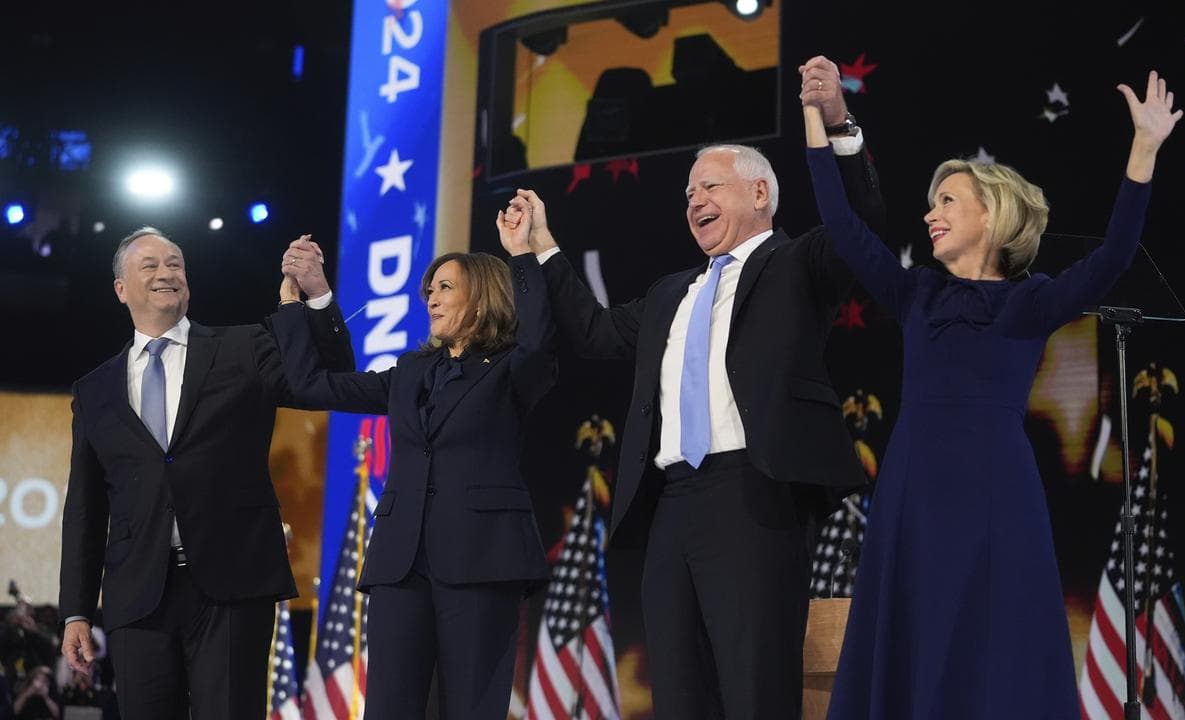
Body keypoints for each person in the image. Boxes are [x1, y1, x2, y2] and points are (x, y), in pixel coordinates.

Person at [499, 55, 884, 719]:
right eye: (687, 195)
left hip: (755, 496)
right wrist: (543, 248)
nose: (694, 202)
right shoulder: (670, 293)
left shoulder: (796, 266)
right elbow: (591, 331)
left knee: (754, 686)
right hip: (671, 503)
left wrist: (838, 123)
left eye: (709, 187)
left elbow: (863, 225)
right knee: (679, 691)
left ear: (760, 194)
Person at [801, 70, 1182, 719]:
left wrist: (1144, 149)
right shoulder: (917, 293)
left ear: (991, 214)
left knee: (991, 645)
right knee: (912, 634)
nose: (930, 214)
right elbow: (841, 225)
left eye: (947, 200)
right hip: (910, 495)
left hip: (995, 498)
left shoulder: (1031, 301)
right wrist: (815, 115)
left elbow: (1116, 255)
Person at [58, 228, 355, 719]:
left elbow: (330, 380)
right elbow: (86, 509)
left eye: (175, 263)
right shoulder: (93, 390)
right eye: (149, 265)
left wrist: (317, 295)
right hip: (139, 597)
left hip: (233, 584)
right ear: (121, 289)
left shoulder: (244, 347)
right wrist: (76, 609)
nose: (166, 273)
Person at [271, 209, 556, 718]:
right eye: (430, 289)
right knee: (388, 707)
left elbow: (540, 338)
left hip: (481, 561)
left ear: (483, 297)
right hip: (401, 563)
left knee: (470, 707)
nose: (432, 297)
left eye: (445, 287)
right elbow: (314, 386)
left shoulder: (514, 368)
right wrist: (305, 301)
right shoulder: (410, 371)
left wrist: (521, 255)